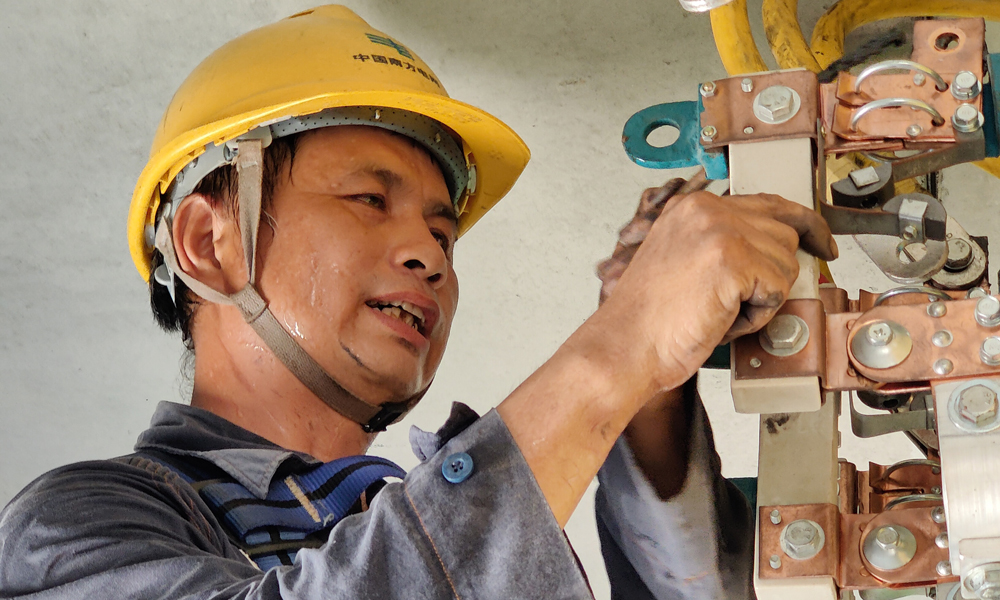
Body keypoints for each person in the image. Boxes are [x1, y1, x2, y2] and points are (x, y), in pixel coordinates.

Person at [0, 5, 837, 599]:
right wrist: (618, 348)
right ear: (208, 243)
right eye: (370, 200)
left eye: (443, 230)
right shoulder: (70, 530)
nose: (428, 253)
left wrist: (653, 383)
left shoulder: (426, 512)